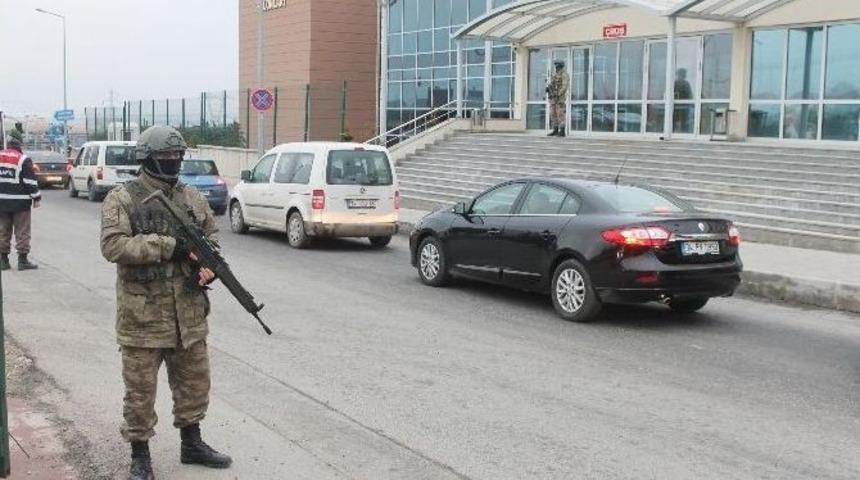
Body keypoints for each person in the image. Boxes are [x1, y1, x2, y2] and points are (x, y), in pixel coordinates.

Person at [100, 126, 231, 480]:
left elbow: (212, 239)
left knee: (194, 384)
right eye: (167, 156)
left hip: (188, 314)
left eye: (178, 156)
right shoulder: (123, 199)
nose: (173, 162)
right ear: (148, 157)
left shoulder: (192, 198)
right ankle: (139, 454)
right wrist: (166, 246)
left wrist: (209, 268)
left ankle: (192, 442)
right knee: (140, 393)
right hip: (143, 317)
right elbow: (113, 246)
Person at [0, 136, 40, 271]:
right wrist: (37, 197)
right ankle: (22, 260)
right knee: (22, 231)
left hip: (1, 202)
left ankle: (3, 261)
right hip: (20, 203)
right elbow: (30, 181)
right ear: (19, 147)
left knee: (3, 230)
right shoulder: (23, 159)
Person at [546, 60, 570, 137]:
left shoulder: (564, 75)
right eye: (556, 66)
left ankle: (562, 131)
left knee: (560, 114)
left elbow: (564, 86)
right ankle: (555, 129)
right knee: (553, 113)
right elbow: (552, 84)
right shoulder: (555, 75)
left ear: (561, 66)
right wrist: (549, 88)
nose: (556, 67)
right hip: (553, 98)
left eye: (557, 65)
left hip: (560, 98)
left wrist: (558, 93)